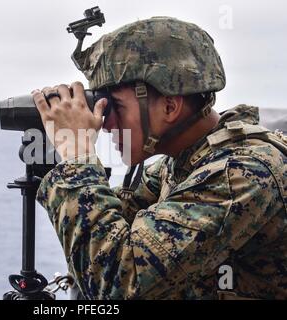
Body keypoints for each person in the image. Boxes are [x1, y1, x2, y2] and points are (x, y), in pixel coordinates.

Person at [31, 16, 287, 299]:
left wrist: (77, 156)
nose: (104, 123)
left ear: (169, 107)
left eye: (114, 106)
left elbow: (118, 283)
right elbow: (111, 228)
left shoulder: (240, 173)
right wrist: (68, 163)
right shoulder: (182, 164)